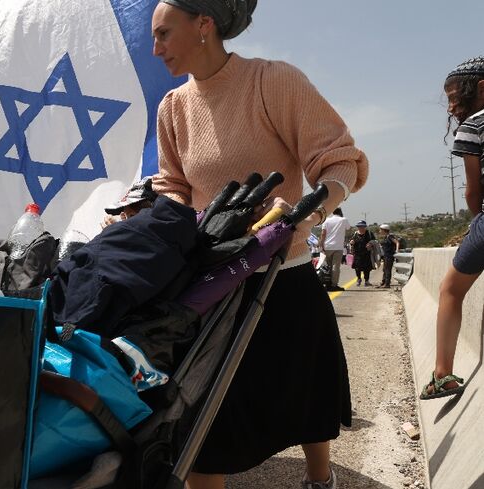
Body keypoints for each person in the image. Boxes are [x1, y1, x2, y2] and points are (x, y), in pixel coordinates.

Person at [149, 1, 368, 488]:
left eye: (164, 34)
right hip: (213, 285)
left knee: (307, 394)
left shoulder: (274, 82)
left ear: (203, 25)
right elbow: (173, 186)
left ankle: (320, 479)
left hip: (282, 276)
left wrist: (308, 212)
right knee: (203, 419)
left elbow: (339, 162)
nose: (155, 47)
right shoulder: (172, 107)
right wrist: (154, 220)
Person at [420, 57, 484, 400]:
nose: (451, 104)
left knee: (450, 289)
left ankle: (442, 374)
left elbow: (473, 191)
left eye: (455, 95)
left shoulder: (473, 125)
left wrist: (478, 221)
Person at [320, 208, 351, 291]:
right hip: (338, 247)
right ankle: (334, 285)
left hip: (327, 246)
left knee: (328, 266)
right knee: (335, 266)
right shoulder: (343, 220)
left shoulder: (326, 220)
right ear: (340, 212)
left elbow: (323, 233)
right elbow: (348, 228)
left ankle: (328, 283)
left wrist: (321, 244)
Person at [348, 220, 376, 286]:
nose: (360, 228)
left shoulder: (369, 233)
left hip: (367, 253)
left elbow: (374, 241)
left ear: (365, 227)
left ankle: (366, 281)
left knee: (367, 268)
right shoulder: (355, 234)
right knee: (357, 268)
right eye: (359, 226)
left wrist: (370, 244)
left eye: (362, 226)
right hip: (357, 254)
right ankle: (359, 279)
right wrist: (351, 242)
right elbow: (351, 241)